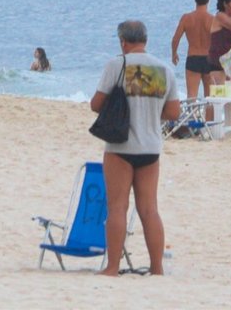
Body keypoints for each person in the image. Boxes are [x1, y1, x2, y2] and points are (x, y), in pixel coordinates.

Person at [91, 19, 182, 277]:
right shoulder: (164, 69)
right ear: (145, 40)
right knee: (149, 209)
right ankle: (157, 268)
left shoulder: (116, 65)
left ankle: (112, 267)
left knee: (117, 208)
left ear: (123, 41)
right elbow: (174, 111)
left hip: (121, 146)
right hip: (151, 147)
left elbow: (96, 104)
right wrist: (151, 113)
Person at [171, 0, 216, 99]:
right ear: (208, 0)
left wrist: (174, 54)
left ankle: (193, 117)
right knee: (210, 98)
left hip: (193, 58)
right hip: (209, 59)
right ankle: (209, 117)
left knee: (191, 97)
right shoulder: (212, 19)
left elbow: (175, 39)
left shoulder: (187, 18)